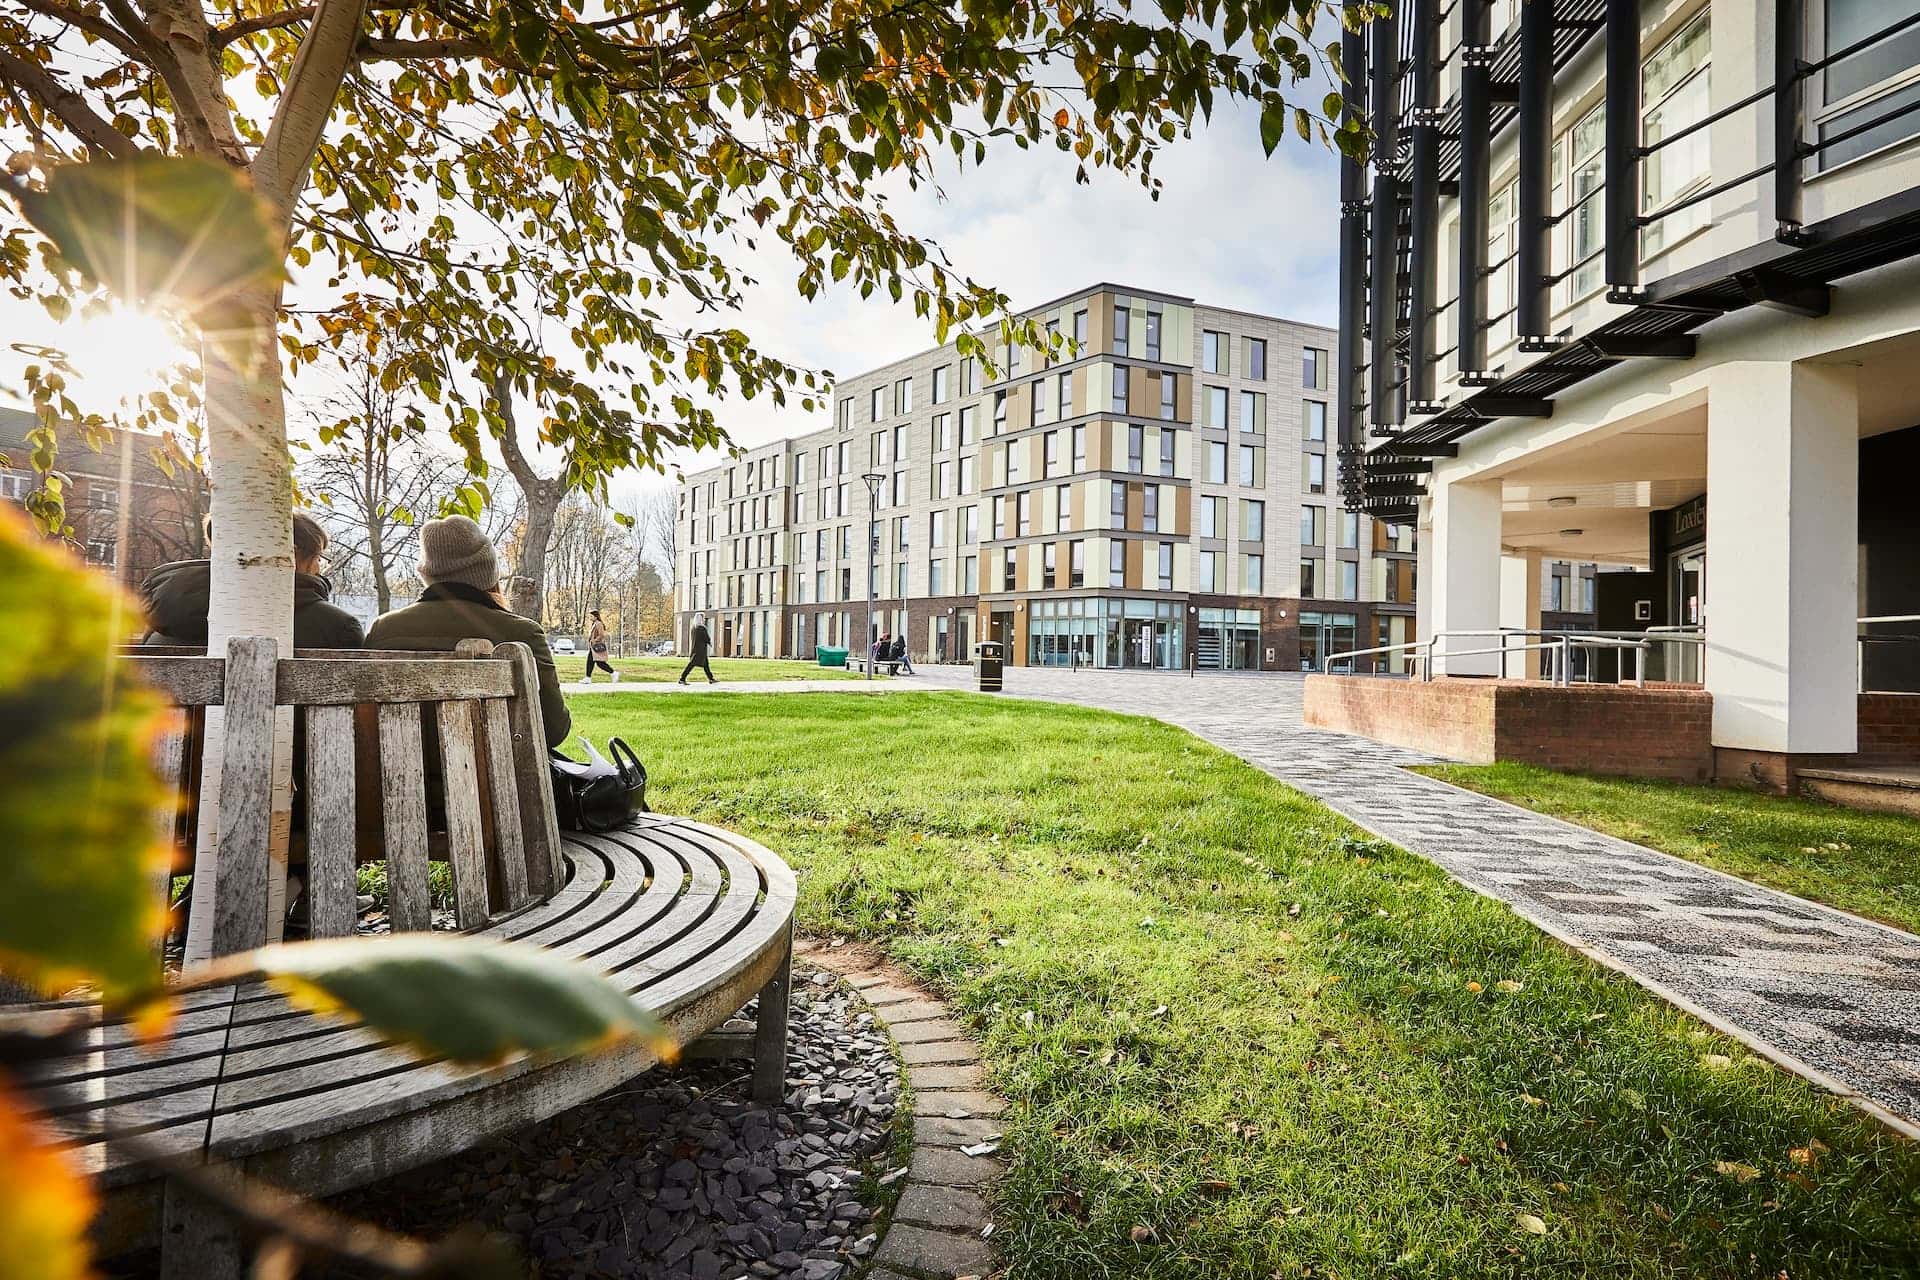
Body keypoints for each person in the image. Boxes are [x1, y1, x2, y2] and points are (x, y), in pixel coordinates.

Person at [366, 515, 571, 747]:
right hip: (495, 782)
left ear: (428, 574)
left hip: (398, 777)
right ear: (488, 572)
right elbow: (554, 730)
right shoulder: (522, 633)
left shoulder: (383, 630)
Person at [139, 510, 364, 649]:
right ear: (289, 555)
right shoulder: (338, 627)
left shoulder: (161, 618)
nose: (318, 569)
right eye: (317, 558)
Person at [679, 616, 716, 684]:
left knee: (706, 665)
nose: (704, 619)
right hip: (701, 650)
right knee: (691, 664)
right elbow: (706, 638)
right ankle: (682, 678)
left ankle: (711, 678)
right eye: (703, 618)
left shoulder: (694, 628)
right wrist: (710, 642)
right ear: (701, 619)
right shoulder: (702, 628)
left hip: (695, 648)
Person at [584, 610, 614, 680]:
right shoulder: (594, 623)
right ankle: (588, 678)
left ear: (596, 617)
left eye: (591, 616)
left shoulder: (598, 624)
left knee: (599, 663)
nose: (590, 618)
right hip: (593, 646)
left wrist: (594, 640)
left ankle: (613, 672)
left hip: (596, 646)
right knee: (590, 662)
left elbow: (601, 635)